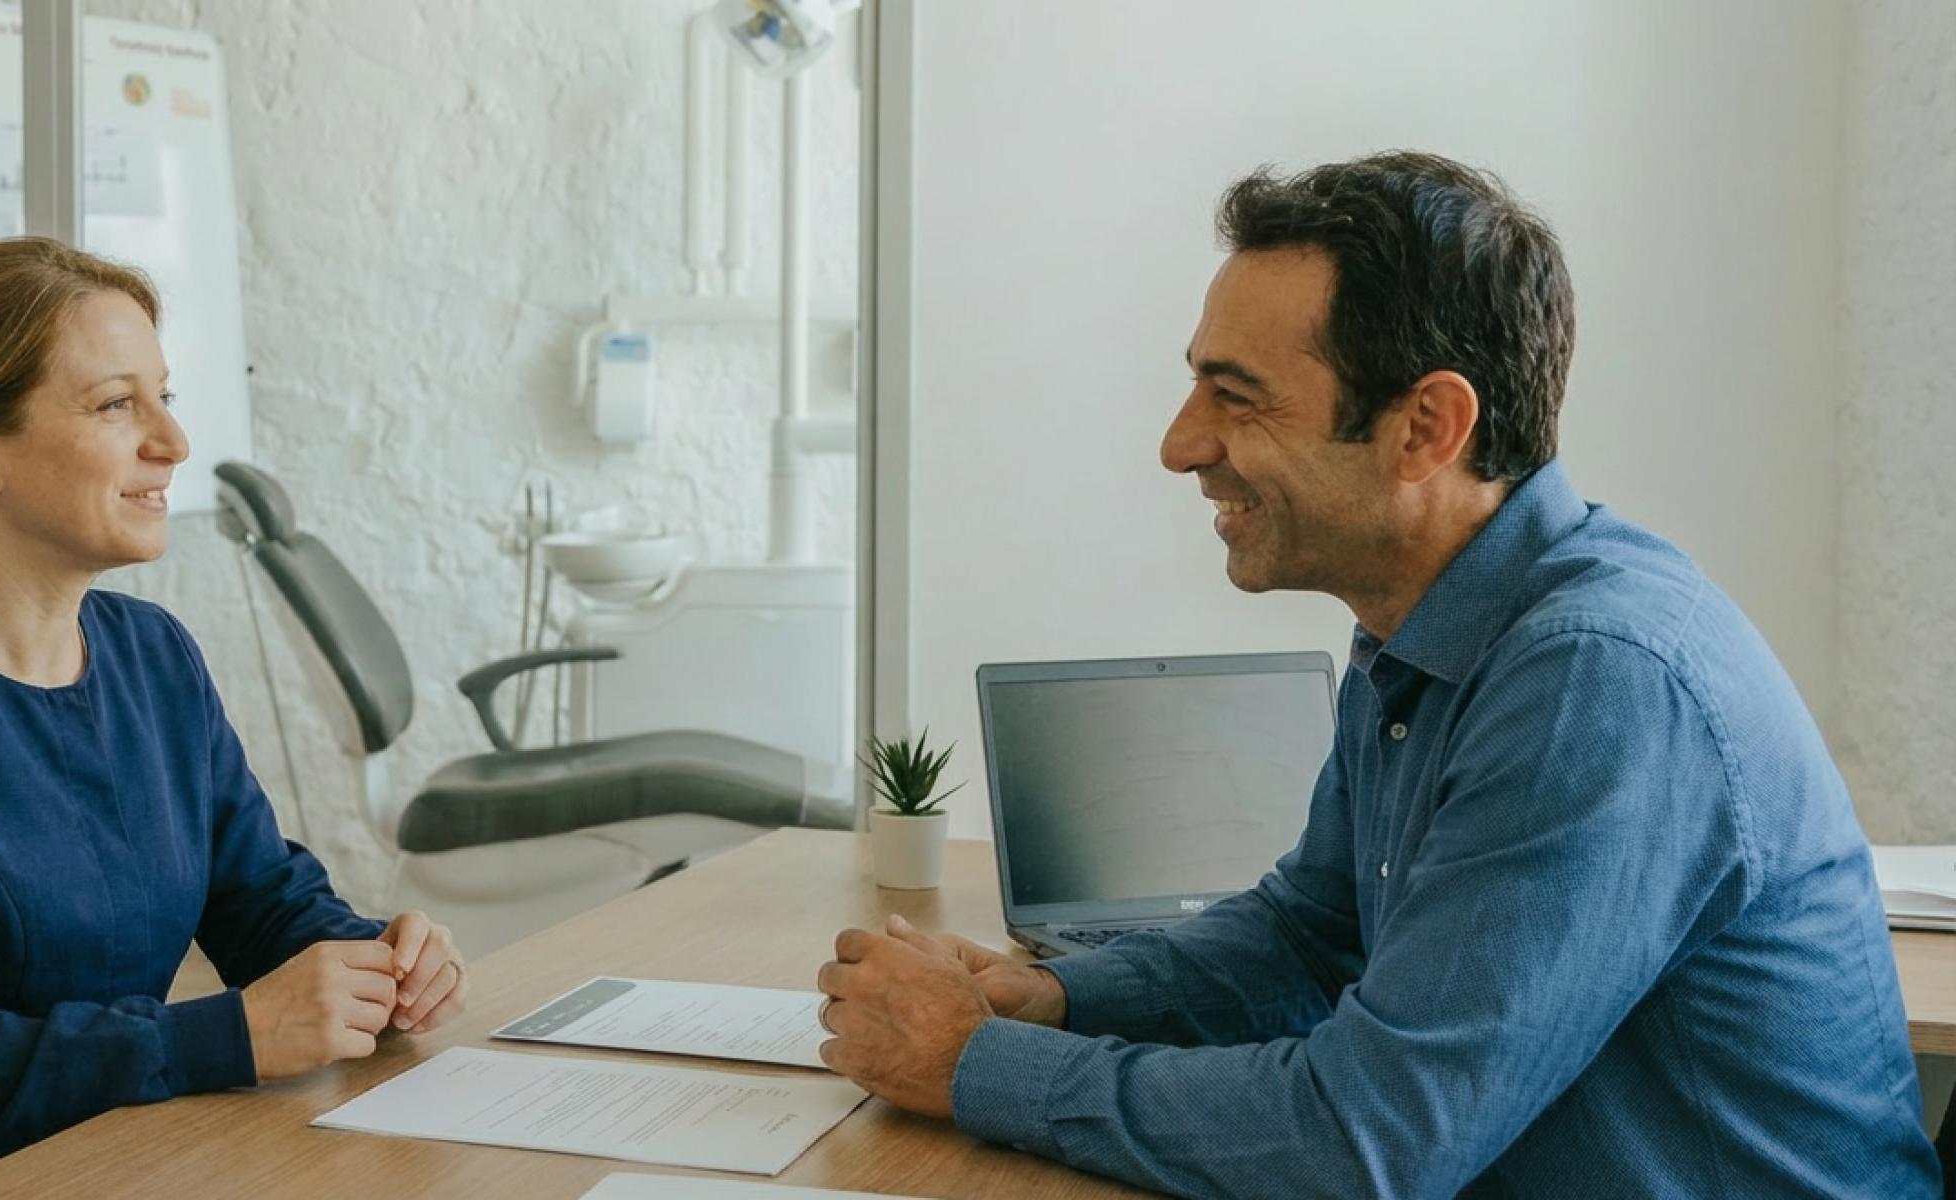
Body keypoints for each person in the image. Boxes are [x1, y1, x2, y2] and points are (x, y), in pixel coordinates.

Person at [812, 152, 1937, 1197]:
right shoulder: (1424, 620)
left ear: (1426, 427)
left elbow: (1369, 1138)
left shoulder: (1593, 683)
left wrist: (975, 1064)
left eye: (1236, 396)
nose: (1180, 443)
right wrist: (1052, 997)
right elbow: (1312, 934)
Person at [0, 238, 470, 1199]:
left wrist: (382, 964)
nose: (173, 441)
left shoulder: (152, 655)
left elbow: (263, 905)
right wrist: (230, 1033)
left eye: (165, 396)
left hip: (99, 1163)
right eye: (118, 405)